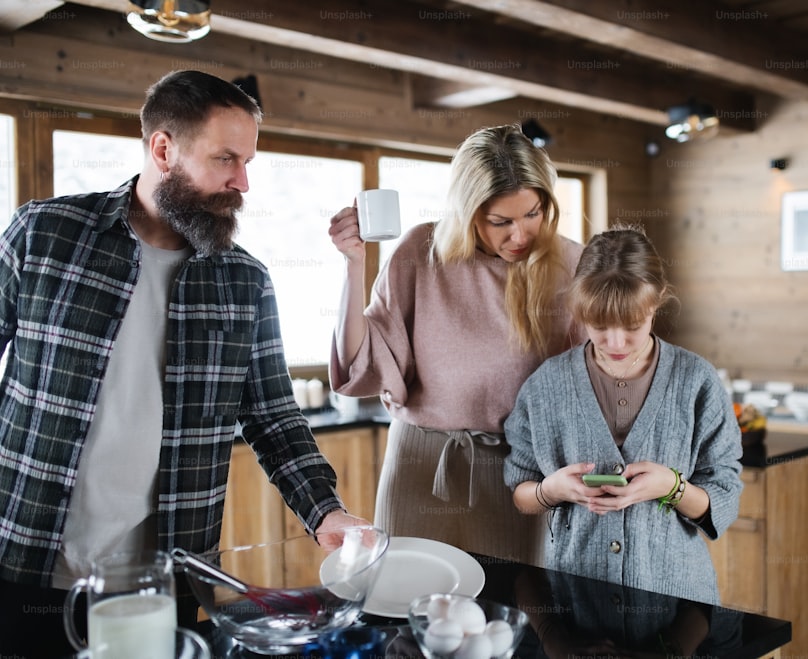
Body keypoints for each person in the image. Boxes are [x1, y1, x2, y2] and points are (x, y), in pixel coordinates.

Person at [0, 70, 367, 657]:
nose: (242, 182)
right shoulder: (43, 235)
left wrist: (326, 510)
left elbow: (274, 418)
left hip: (167, 572)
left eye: (248, 162)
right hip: (25, 557)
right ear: (164, 149)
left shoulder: (245, 281)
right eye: (226, 159)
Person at [327, 124, 583, 566]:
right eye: (500, 222)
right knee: (406, 608)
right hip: (422, 463)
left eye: (533, 214)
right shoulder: (419, 252)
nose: (520, 235)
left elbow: (595, 381)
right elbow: (359, 363)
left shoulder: (574, 265)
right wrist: (354, 266)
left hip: (521, 471)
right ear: (465, 213)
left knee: (513, 615)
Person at [503, 225, 743, 603]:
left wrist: (671, 486)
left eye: (632, 326)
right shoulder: (546, 384)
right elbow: (521, 492)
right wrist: (554, 490)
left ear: (656, 302)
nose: (615, 343)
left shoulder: (696, 380)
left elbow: (724, 500)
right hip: (574, 601)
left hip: (678, 603)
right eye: (598, 325)